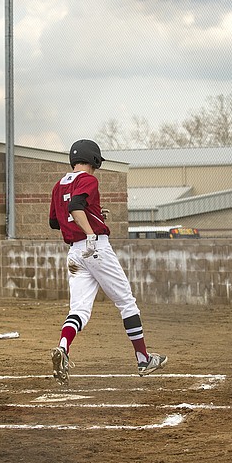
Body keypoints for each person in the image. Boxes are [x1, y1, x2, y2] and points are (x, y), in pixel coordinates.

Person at [48, 139, 167, 385]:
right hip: (95, 249)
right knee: (126, 302)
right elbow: (75, 206)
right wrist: (91, 232)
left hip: (74, 253)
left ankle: (63, 347)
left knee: (79, 309)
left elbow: (55, 221)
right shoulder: (88, 179)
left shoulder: (59, 184)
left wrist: (92, 217)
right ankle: (143, 358)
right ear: (95, 160)